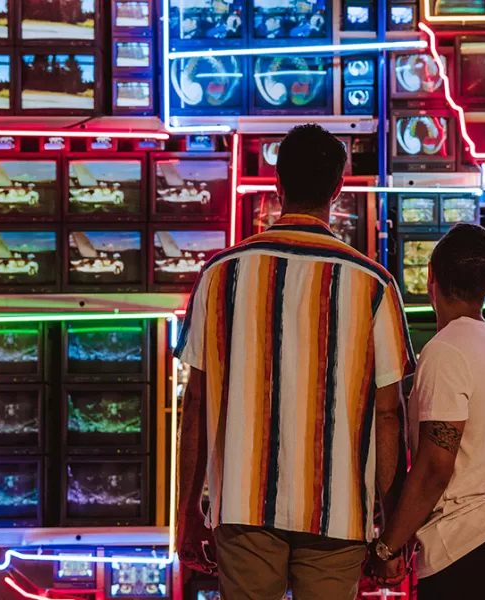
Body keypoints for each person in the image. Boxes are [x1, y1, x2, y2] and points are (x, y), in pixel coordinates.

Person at [175, 124, 414, 600]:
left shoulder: (219, 274)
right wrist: (392, 534)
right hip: (338, 512)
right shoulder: (375, 285)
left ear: (277, 184)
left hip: (241, 508)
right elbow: (389, 414)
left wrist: (187, 513)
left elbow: (196, 403)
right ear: (338, 189)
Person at [368, 223, 485, 599]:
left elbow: (435, 467)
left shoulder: (446, 350)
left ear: (430, 277)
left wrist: (389, 546)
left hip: (465, 544)